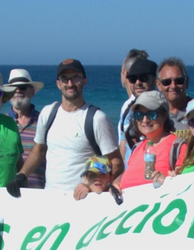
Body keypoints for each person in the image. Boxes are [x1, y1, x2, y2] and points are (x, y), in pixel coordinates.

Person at [14, 59, 120, 196]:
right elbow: (39, 150)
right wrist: (22, 175)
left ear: (84, 81)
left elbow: (116, 163)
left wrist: (91, 186)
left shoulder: (97, 119)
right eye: (65, 79)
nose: (70, 84)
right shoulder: (48, 113)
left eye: (75, 78)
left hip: (84, 200)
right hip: (51, 197)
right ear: (58, 84)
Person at [116, 90, 179, 190]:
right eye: (139, 115)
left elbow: (185, 184)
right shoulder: (136, 148)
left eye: (151, 114)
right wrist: (116, 186)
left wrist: (168, 182)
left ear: (164, 115)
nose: (145, 120)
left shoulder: (177, 147)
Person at [7, 68, 46, 189]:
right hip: (7, 193)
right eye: (13, 88)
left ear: (32, 91)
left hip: (40, 192)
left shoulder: (44, 122)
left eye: (22, 87)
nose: (18, 90)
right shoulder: (1, 124)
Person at [117, 53, 158, 159]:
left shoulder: (162, 108)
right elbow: (123, 145)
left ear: (154, 80)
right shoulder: (127, 108)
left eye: (144, 78)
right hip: (130, 171)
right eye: (133, 78)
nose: (138, 82)